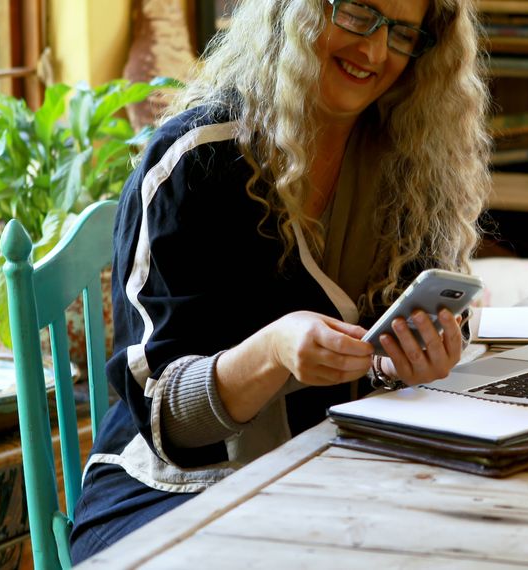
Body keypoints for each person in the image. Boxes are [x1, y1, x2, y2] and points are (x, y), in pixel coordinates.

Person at [69, 0, 490, 562]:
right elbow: (165, 420)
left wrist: (411, 358)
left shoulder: (413, 158)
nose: (373, 51)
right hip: (167, 499)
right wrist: (271, 352)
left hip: (325, 473)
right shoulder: (196, 160)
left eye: (402, 33)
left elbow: (410, 319)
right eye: (358, 14)